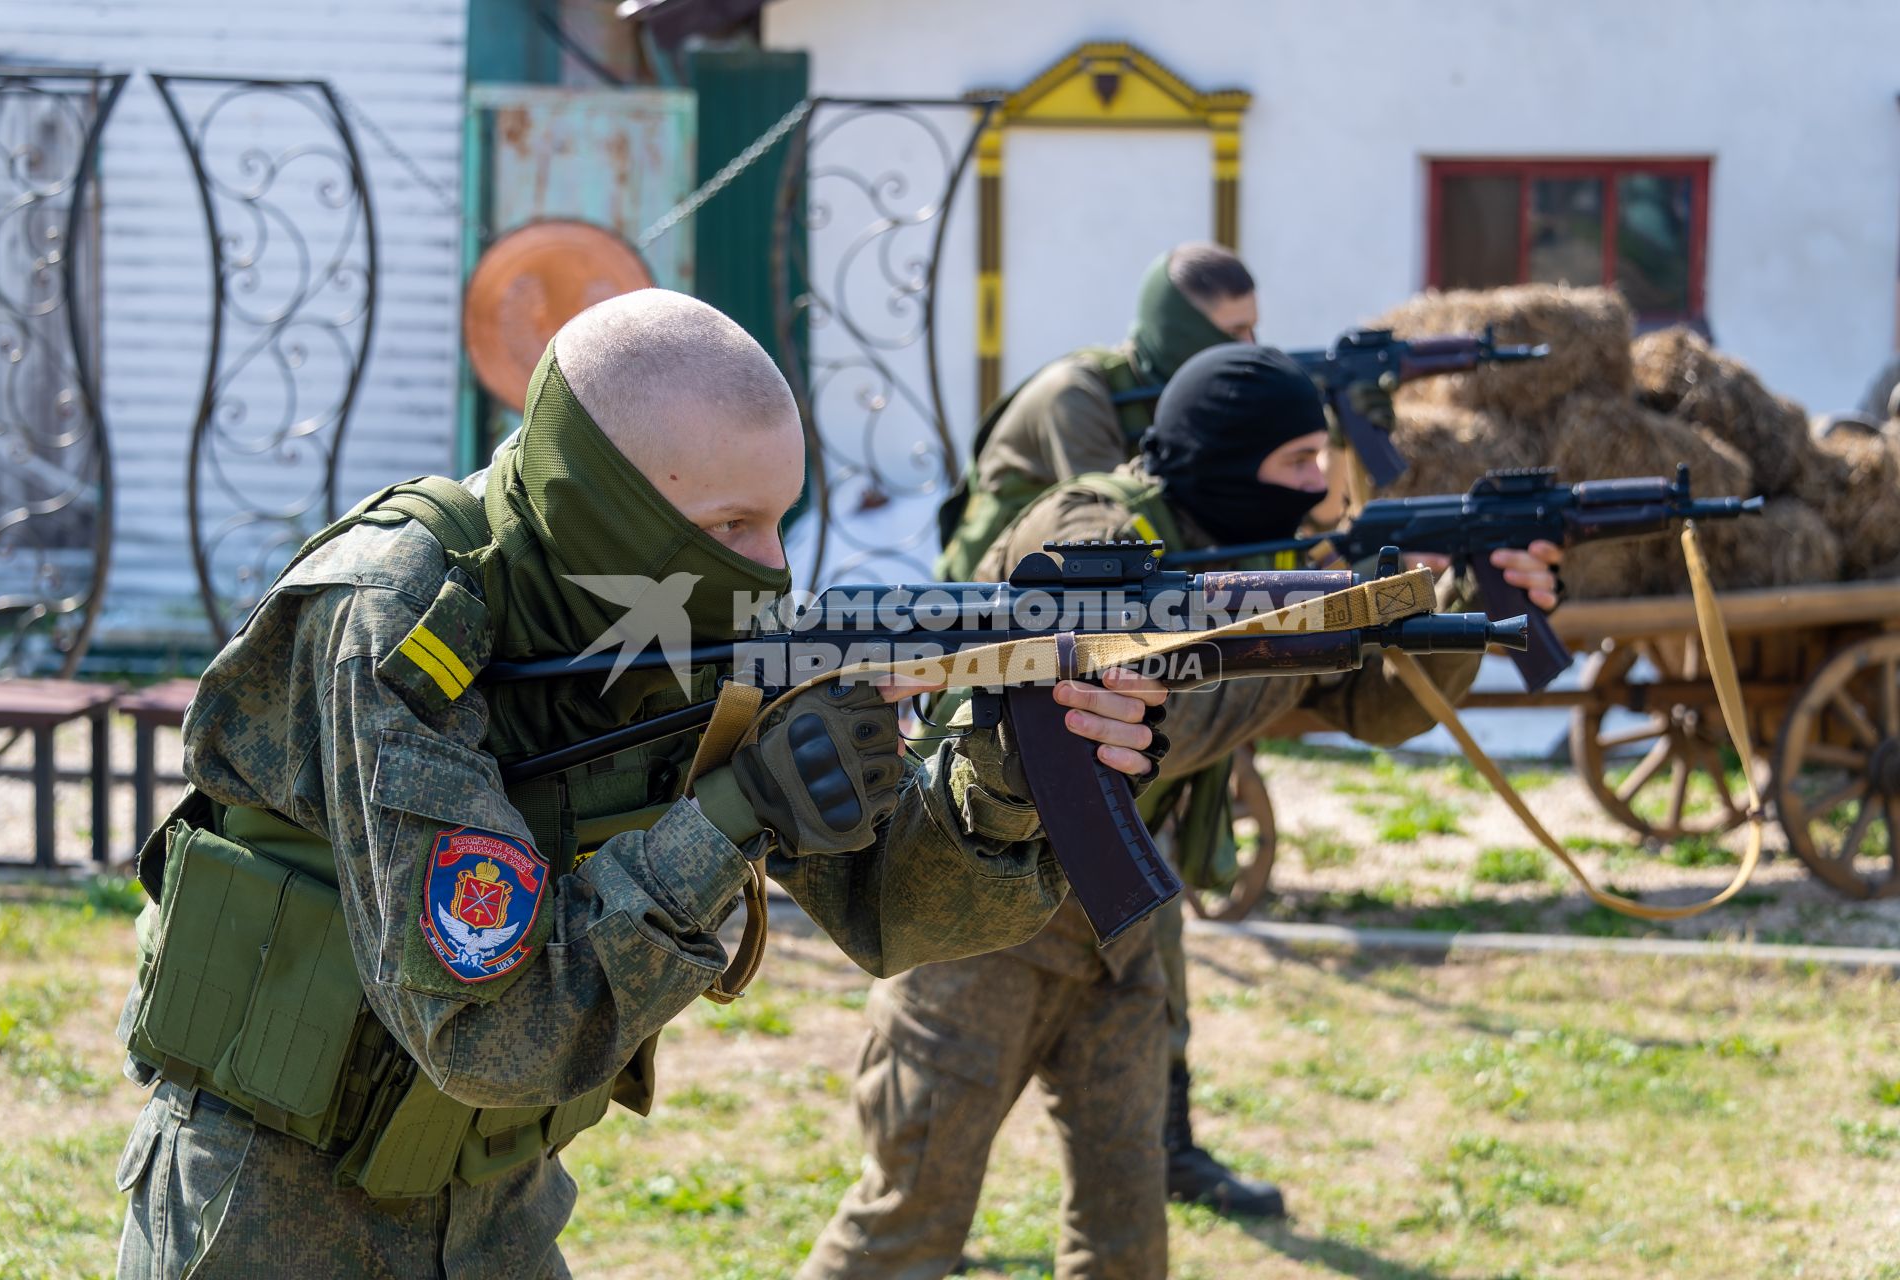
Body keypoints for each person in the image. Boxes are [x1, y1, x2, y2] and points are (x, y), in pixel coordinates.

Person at [111, 290, 1170, 1279]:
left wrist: (1003, 776)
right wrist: (733, 813)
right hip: (272, 1203)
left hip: (496, 1202)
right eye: (730, 528)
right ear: (612, 506)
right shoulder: (394, 615)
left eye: (780, 521)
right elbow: (488, 1031)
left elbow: (889, 906)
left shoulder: (675, 605)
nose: (771, 570)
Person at [797, 344, 1563, 1279]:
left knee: (1127, 1239)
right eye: (1298, 464)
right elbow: (1150, 711)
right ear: (1224, 459)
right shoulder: (1086, 526)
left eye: (1323, 459)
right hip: (982, 921)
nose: (1323, 489)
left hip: (1122, 932)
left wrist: (1451, 604)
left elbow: (1372, 710)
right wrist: (1302, 624)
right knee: (907, 1225)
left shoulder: (1259, 555)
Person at [934, 242, 1257, 580]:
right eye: (1234, 332)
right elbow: (1114, 516)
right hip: (989, 595)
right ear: (1179, 328)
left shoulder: (1178, 390)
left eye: (1252, 328)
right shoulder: (1074, 394)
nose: (1249, 346)